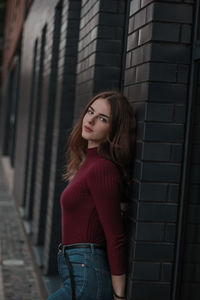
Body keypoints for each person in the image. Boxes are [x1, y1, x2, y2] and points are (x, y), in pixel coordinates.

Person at [46, 90, 136, 300]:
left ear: (113, 129)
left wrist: (119, 295)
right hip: (76, 269)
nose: (91, 120)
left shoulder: (102, 169)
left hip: (87, 271)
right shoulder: (90, 163)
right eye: (90, 112)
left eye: (102, 119)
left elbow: (115, 236)